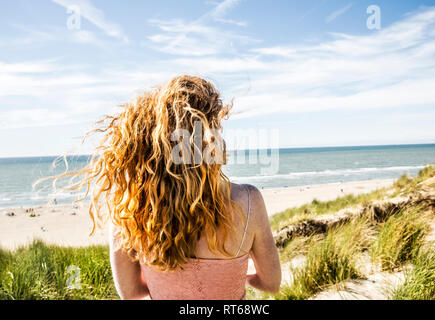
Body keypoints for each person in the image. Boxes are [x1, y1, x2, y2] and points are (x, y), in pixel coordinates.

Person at [60, 75, 281, 300]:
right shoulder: (248, 200)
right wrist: (234, 275)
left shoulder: (128, 210)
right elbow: (271, 283)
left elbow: (131, 293)